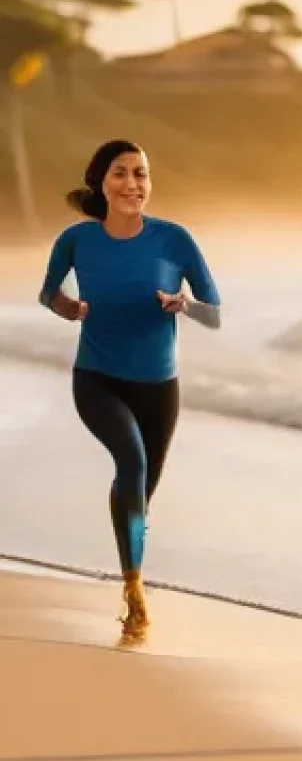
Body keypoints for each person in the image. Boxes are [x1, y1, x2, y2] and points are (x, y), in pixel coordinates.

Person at [38, 139, 222, 647]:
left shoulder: (174, 239)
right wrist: (69, 309)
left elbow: (215, 312)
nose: (132, 184)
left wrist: (183, 305)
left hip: (159, 387)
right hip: (96, 377)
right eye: (121, 173)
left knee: (141, 489)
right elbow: (47, 292)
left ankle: (130, 566)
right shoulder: (77, 241)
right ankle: (135, 595)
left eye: (140, 174)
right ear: (101, 181)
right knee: (133, 463)